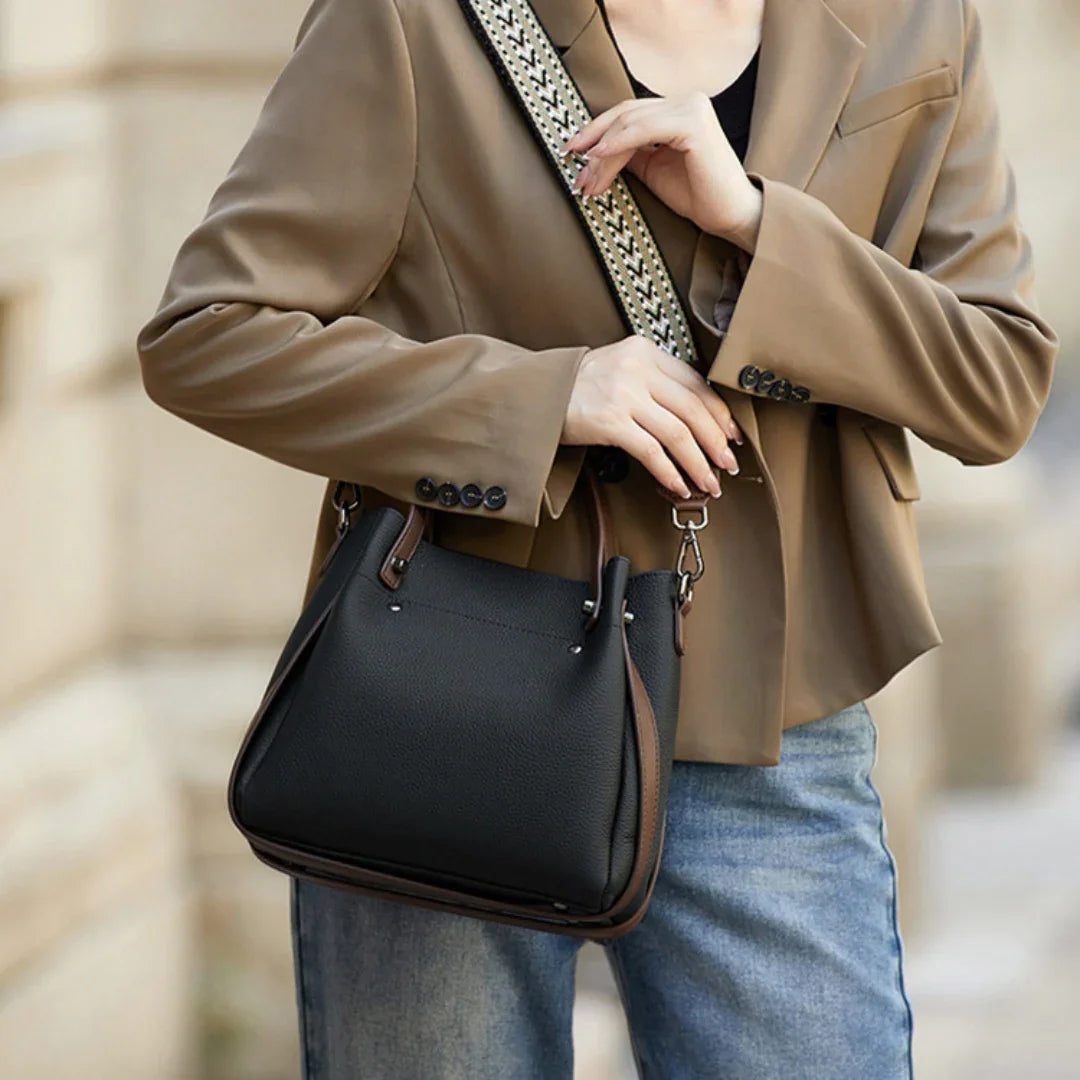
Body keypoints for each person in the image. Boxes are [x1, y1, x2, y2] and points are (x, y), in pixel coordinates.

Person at [135, 0, 1059, 1075]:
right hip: (448, 707)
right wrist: (542, 399)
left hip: (773, 726)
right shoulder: (408, 21)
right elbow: (209, 335)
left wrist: (760, 225)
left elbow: (997, 383)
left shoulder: (915, 23)